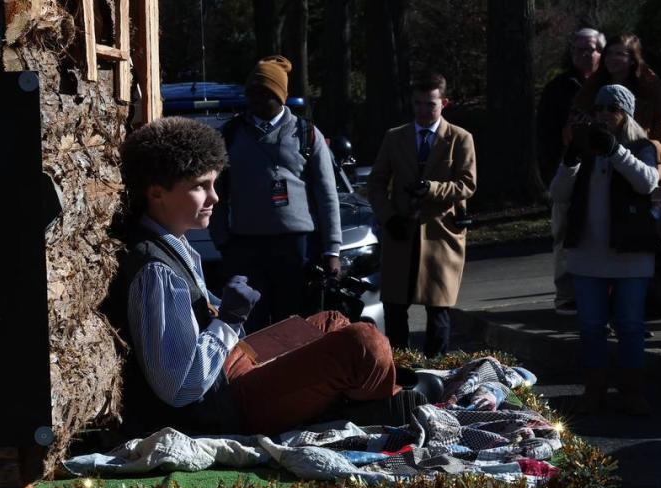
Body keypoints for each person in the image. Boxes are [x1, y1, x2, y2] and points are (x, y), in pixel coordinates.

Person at [103, 116, 416, 436]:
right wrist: (229, 319)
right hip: (220, 406)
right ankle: (382, 405)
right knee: (364, 344)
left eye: (214, 184)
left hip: (227, 367)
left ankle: (362, 400)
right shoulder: (156, 270)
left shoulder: (171, 239)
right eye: (200, 186)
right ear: (157, 194)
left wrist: (219, 308)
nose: (215, 198)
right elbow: (181, 388)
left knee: (332, 321)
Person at [210, 55, 342, 332]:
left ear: (279, 95)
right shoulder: (231, 134)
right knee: (251, 325)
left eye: (263, 92)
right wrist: (222, 240)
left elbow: (327, 195)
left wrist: (332, 250)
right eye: (252, 92)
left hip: (296, 247)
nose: (255, 99)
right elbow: (216, 191)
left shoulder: (306, 134)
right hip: (246, 247)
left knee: (292, 324)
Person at [551, 84, 661, 416]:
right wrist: (570, 159)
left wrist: (615, 151)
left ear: (625, 114)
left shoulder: (642, 146)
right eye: (598, 109)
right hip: (588, 255)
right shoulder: (585, 148)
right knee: (591, 326)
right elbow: (558, 193)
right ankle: (594, 389)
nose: (603, 115)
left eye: (611, 109)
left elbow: (647, 182)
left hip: (631, 256)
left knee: (630, 326)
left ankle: (633, 391)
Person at [367, 72, 477, 357]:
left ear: (444, 103)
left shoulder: (460, 138)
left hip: (441, 234)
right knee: (394, 308)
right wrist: (388, 217)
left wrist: (432, 188)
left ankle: (435, 370)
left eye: (430, 104)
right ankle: (399, 369)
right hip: (400, 231)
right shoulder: (395, 138)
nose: (423, 110)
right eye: (417, 104)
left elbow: (467, 184)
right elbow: (376, 184)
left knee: (439, 311)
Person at [572, 34, 661, 317]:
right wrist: (573, 154)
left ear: (634, 59)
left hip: (636, 182)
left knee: (631, 316)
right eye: (610, 54)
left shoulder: (650, 88)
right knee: (592, 323)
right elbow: (560, 190)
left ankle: (654, 300)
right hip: (593, 230)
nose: (613, 60)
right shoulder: (592, 87)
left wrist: (630, 147)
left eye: (621, 54)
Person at [537, 27, 605, 315]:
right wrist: (552, 173)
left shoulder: (608, 85)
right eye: (578, 49)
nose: (583, 54)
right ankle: (567, 294)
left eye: (589, 49)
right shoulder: (558, 88)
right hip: (568, 169)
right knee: (564, 233)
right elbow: (544, 136)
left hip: (604, 170)